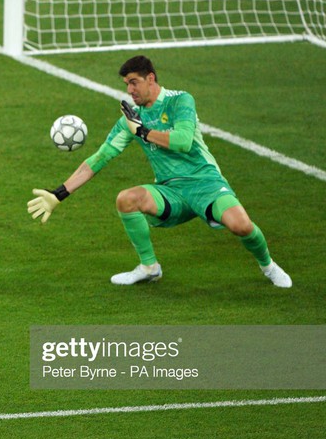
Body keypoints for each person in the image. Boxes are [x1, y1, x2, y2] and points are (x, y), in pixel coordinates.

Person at [28, 55, 292, 288]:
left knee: (242, 226)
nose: (129, 90)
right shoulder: (129, 120)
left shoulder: (180, 101)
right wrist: (59, 194)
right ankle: (149, 268)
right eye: (126, 85)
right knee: (126, 199)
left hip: (205, 183)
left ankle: (268, 266)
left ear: (150, 78)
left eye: (133, 82)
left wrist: (142, 131)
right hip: (170, 191)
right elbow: (99, 158)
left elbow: (183, 141)